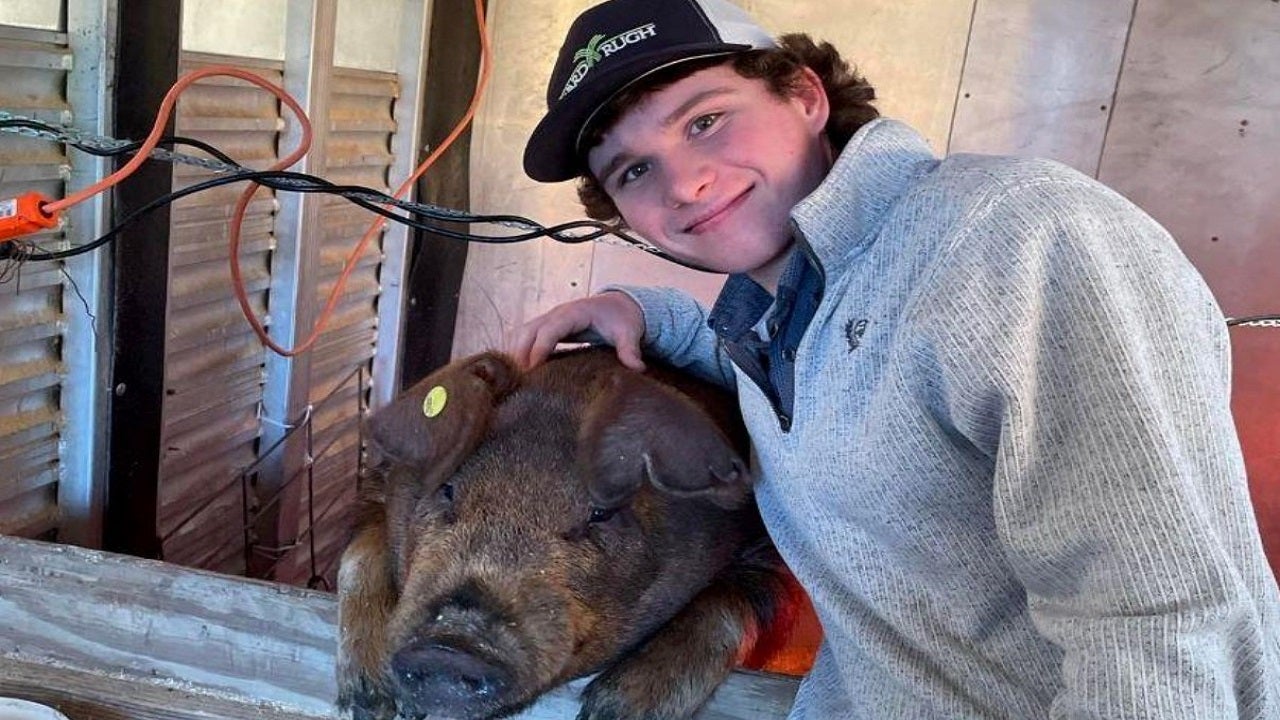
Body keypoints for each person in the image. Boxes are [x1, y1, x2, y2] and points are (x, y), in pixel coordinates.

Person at [508, 0, 1280, 716]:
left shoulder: (1016, 240)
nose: (685, 183)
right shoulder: (786, 306)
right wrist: (644, 313)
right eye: (633, 170)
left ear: (805, 95)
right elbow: (846, 382)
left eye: (705, 121)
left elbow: (1162, 619)